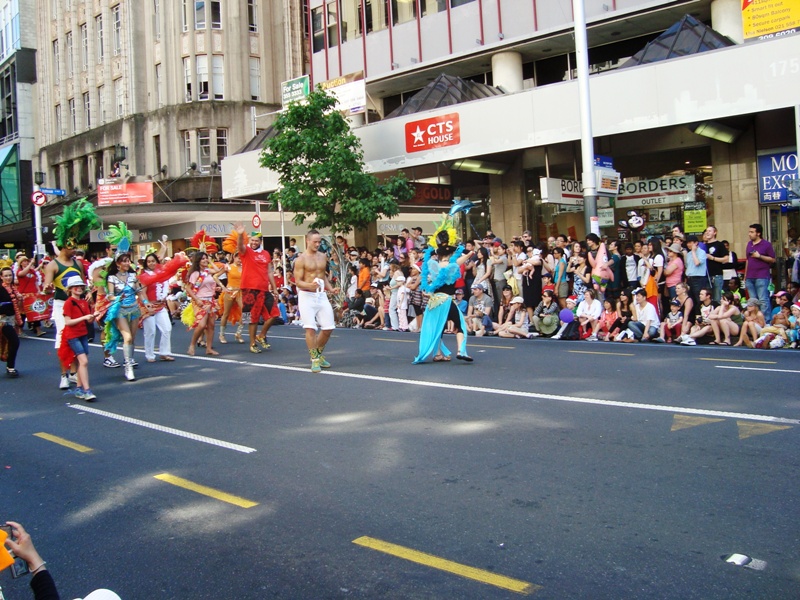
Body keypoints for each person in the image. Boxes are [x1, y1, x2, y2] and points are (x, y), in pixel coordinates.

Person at [413, 228, 475, 363]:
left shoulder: (431, 265)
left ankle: (438, 354)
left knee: (438, 327)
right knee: (460, 324)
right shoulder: (453, 264)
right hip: (446, 299)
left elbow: (427, 283)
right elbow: (470, 253)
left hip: (434, 300)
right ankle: (461, 351)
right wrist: (459, 249)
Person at [293, 229, 338, 373]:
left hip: (321, 295)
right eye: (315, 242)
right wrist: (309, 285)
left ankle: (317, 354)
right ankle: (315, 359)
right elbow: (298, 282)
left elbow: (323, 276)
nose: (317, 244)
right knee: (310, 328)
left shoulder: (323, 256)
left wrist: (330, 289)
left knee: (328, 328)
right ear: (307, 241)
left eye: (319, 242)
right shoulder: (301, 259)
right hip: (306, 296)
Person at [235, 225, 280, 354]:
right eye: (252, 240)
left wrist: (275, 289)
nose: (254, 242)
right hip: (249, 289)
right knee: (251, 318)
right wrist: (240, 235)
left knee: (274, 314)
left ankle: (261, 335)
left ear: (261, 241)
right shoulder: (246, 251)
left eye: (257, 240)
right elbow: (240, 246)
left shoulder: (265, 254)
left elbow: (270, 271)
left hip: (264, 289)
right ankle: (252, 343)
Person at [106, 249, 146, 381]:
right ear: (117, 264)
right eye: (124, 261)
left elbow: (139, 291)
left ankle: (128, 360)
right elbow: (110, 295)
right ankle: (128, 367)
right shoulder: (112, 277)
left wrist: (146, 303)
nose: (127, 263)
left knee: (132, 338)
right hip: (120, 309)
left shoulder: (133, 276)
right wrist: (117, 298)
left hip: (134, 308)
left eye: (128, 260)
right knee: (127, 337)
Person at [140, 251, 184, 362]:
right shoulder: (144, 275)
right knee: (150, 332)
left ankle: (164, 353)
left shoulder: (162, 273)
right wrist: (146, 304)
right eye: (149, 261)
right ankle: (149, 355)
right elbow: (142, 292)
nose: (151, 263)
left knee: (167, 328)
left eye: (153, 261)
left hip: (161, 305)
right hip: (149, 305)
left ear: (157, 262)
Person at [60, 275, 97, 400]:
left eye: (80, 286)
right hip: (73, 336)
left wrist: (93, 316)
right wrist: (84, 317)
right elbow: (68, 322)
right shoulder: (68, 303)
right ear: (70, 289)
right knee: (84, 361)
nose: (79, 288)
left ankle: (79, 389)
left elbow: (89, 321)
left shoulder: (83, 302)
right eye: (76, 286)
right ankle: (87, 390)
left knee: (82, 363)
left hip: (83, 334)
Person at [183, 252, 221, 356]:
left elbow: (218, 270)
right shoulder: (195, 273)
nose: (205, 260)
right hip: (200, 300)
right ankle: (192, 345)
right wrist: (196, 299)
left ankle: (209, 348)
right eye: (202, 259)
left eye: (206, 258)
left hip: (210, 300)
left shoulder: (207, 271)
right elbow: (188, 288)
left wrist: (210, 261)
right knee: (202, 324)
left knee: (211, 325)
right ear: (198, 261)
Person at [745, 223, 776, 322]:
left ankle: (766, 322)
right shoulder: (749, 244)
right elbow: (747, 260)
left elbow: (772, 260)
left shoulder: (766, 244)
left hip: (762, 276)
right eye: (749, 232)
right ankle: (756, 321)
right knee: (752, 301)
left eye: (752, 232)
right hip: (750, 276)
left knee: (763, 300)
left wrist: (760, 256)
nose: (749, 234)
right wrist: (745, 276)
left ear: (758, 233)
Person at [217, 252, 244, 344]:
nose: (240, 260)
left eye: (241, 258)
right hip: (230, 292)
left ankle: (238, 333)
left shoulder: (245, 268)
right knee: (226, 313)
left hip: (240, 292)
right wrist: (223, 287)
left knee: (245, 313)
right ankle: (221, 334)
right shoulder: (228, 266)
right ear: (234, 257)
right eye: (238, 258)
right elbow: (215, 276)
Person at [0, 266, 22, 377]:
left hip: (12, 319)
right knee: (14, 341)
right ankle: (10, 366)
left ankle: (10, 366)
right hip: (2, 321)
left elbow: (16, 308)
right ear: (1, 277)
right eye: (6, 276)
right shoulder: (1, 289)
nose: (8, 277)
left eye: (10, 275)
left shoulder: (13, 288)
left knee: (10, 343)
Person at [703, 226, 728, 302]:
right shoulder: (703, 246)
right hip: (706, 275)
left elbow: (726, 259)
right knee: (707, 298)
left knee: (717, 297)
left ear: (715, 232)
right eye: (706, 231)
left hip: (716, 275)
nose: (707, 232)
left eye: (710, 231)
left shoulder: (720, 245)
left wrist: (713, 258)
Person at [683, 235, 708, 302]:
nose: (688, 244)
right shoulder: (688, 254)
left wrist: (693, 251)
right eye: (687, 243)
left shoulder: (702, 252)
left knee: (698, 298)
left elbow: (697, 263)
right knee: (690, 298)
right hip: (689, 278)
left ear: (696, 243)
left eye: (690, 242)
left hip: (698, 278)